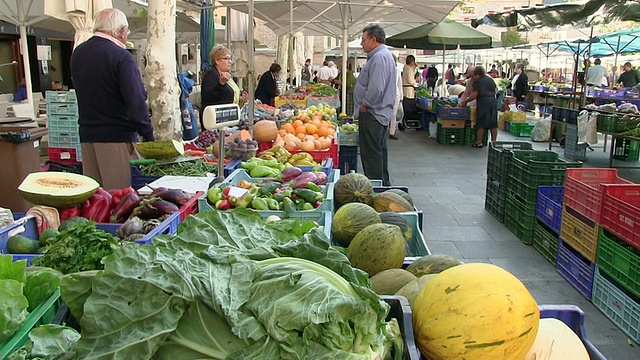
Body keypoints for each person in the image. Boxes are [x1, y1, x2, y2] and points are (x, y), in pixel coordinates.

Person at [70, 8, 154, 190]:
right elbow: (135, 101)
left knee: (95, 199)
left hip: (87, 135)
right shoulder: (121, 57)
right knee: (120, 200)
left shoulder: (78, 54)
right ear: (122, 31)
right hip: (117, 137)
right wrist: (148, 134)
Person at [354, 24, 396, 186]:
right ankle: (383, 187)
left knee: (371, 156)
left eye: (363, 39)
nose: (362, 43)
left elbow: (377, 87)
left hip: (373, 114)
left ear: (373, 39)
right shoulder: (382, 56)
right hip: (377, 113)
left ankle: (377, 190)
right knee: (378, 153)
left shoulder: (379, 58)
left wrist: (365, 104)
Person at [460, 66, 497, 148]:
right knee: (493, 122)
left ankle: (479, 142)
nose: (472, 77)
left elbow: (474, 94)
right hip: (493, 100)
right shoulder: (490, 79)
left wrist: (466, 101)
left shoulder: (478, 81)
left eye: (473, 75)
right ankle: (494, 142)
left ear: (477, 74)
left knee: (481, 122)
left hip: (483, 102)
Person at [200, 45, 234, 130]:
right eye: (226, 59)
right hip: (213, 121)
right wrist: (221, 83)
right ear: (217, 61)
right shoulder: (211, 74)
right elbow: (208, 96)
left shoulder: (223, 75)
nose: (229, 62)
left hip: (222, 120)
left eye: (230, 59)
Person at [390, 55, 403, 140]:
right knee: (392, 114)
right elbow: (399, 84)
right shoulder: (396, 70)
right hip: (393, 94)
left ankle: (391, 130)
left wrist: (401, 97)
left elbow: (399, 84)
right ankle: (391, 131)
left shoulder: (396, 71)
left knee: (391, 113)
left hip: (393, 94)